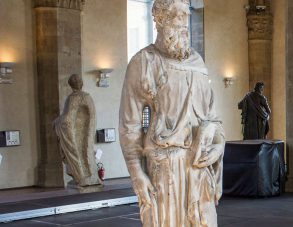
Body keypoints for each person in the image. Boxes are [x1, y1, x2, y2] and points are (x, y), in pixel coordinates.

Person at [119, 0, 225, 226]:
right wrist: (137, 173)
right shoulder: (144, 62)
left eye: (186, 16)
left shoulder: (197, 62)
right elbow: (130, 126)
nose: (184, 23)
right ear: (160, 19)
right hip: (165, 168)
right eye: (177, 16)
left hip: (199, 166)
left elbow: (213, 119)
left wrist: (218, 147)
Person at [54, 74, 102, 187]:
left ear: (70, 85)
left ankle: (82, 177)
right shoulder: (88, 97)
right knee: (87, 153)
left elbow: (67, 119)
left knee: (75, 153)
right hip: (86, 133)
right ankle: (91, 176)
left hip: (75, 135)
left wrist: (56, 122)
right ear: (82, 83)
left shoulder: (74, 98)